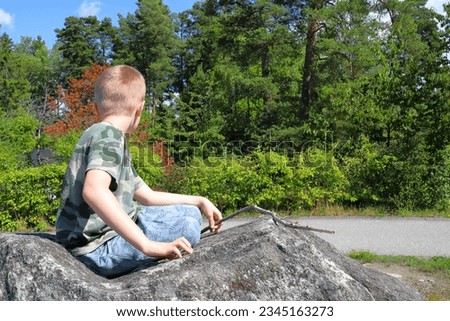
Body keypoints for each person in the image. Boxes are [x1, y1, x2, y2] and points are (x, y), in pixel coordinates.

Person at [55, 65, 222, 278]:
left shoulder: (106, 135)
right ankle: (143, 242)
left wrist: (200, 200)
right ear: (140, 109)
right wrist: (148, 246)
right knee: (188, 226)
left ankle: (175, 219)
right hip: (96, 249)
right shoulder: (109, 136)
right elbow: (94, 191)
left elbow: (147, 195)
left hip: (112, 232)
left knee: (189, 211)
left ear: (96, 108)